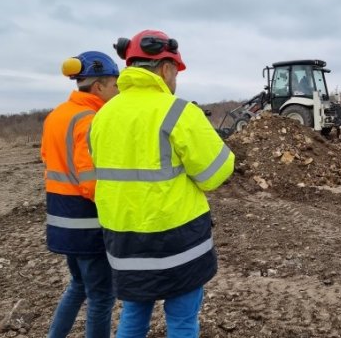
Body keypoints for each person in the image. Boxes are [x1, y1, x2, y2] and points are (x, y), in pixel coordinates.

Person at [88, 30, 235, 337]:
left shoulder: (103, 116)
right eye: (175, 72)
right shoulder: (180, 111)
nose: (175, 80)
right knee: (182, 320)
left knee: (133, 314)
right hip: (177, 238)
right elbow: (215, 175)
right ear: (166, 68)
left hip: (122, 236)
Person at [41, 51, 120, 337]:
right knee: (101, 297)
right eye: (114, 85)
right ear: (98, 86)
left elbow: (48, 159)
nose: (117, 90)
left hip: (61, 217)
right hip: (86, 222)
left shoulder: (57, 115)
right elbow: (90, 179)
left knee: (78, 286)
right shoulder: (90, 119)